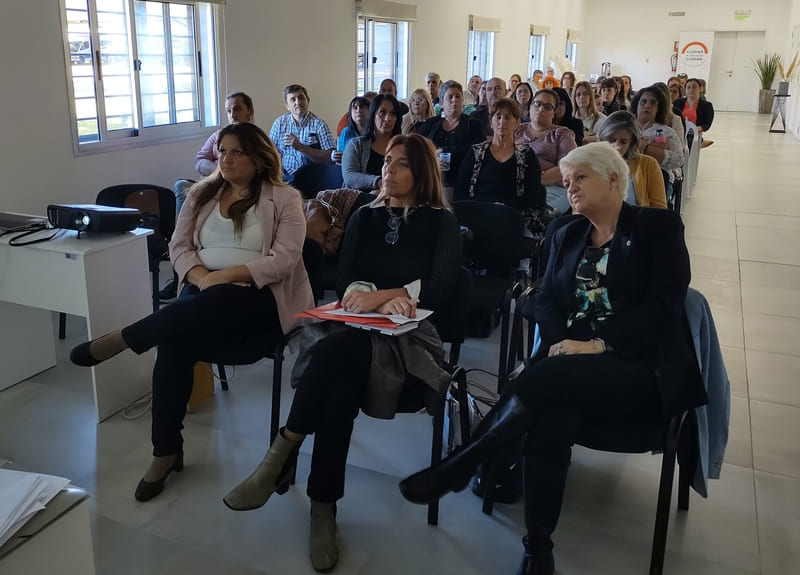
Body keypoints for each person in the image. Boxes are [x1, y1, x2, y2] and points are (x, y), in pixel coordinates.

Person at [398, 141, 707, 575]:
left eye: (580, 178)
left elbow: (664, 308)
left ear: (614, 180)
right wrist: (563, 342)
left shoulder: (658, 228)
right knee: (551, 413)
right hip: (570, 369)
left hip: (641, 370)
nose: (570, 188)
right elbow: (544, 301)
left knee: (551, 382)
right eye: (566, 181)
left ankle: (464, 462)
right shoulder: (568, 233)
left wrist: (596, 345)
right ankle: (538, 549)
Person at [223, 133, 462, 572]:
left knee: (339, 359)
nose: (388, 169)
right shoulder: (365, 216)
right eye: (386, 161)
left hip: (410, 339)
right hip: (355, 326)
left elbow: (442, 287)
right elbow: (346, 271)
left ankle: (286, 459)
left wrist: (389, 297)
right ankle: (321, 507)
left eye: (401, 164)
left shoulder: (441, 223)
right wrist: (361, 294)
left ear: (423, 172)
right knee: (342, 375)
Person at [69, 122, 314, 503]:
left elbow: (284, 261)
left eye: (237, 152)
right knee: (174, 340)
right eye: (223, 151)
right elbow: (179, 247)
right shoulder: (201, 195)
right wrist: (202, 278)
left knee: (196, 311)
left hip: (259, 302)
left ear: (259, 157)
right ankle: (164, 451)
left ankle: (124, 338)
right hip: (202, 299)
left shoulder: (284, 199)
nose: (226, 159)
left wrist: (227, 277)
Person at [162, 91, 256, 301]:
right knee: (182, 187)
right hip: (214, 187)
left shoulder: (256, 140)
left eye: (237, 109)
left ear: (250, 112)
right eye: (229, 110)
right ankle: (187, 237)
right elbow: (200, 160)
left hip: (242, 280)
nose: (233, 114)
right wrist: (220, 169)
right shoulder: (218, 135)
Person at [456, 97, 544, 212]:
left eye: (507, 117)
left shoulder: (526, 154)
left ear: (517, 123)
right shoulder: (476, 152)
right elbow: (461, 190)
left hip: (513, 214)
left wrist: (503, 209)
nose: (502, 122)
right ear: (491, 123)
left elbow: (532, 195)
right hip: (478, 213)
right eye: (498, 117)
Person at [516, 89, 577, 213]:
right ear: (530, 107)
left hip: (552, 188)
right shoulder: (517, 130)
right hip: (515, 186)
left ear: (554, 113)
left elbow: (567, 167)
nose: (541, 109)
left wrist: (532, 179)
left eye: (547, 107)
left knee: (534, 213)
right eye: (537, 104)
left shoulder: (562, 134)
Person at [417, 80, 485, 189]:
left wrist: (443, 151)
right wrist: (432, 157)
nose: (455, 100)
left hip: (462, 180)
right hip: (431, 179)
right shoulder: (430, 124)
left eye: (458, 96)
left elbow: (478, 151)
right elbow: (417, 149)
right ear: (441, 103)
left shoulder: (473, 125)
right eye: (450, 97)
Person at [598, 111, 667, 208]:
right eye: (611, 140)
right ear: (602, 138)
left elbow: (660, 209)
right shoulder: (591, 165)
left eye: (623, 142)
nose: (617, 146)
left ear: (631, 143)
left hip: (639, 221)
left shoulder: (649, 164)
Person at [269, 84, 335, 183]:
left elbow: (330, 158)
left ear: (307, 101)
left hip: (312, 178)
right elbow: (269, 152)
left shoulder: (319, 124)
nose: (298, 102)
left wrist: (300, 146)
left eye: (301, 98)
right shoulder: (279, 124)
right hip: (285, 178)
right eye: (293, 99)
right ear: (287, 106)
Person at [630, 85, 684, 200]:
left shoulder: (667, 132)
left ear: (659, 108)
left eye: (653, 103)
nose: (647, 106)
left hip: (658, 177)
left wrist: (646, 149)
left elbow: (679, 160)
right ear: (636, 104)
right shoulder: (625, 128)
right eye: (643, 102)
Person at [342, 94, 403, 190]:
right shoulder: (356, 144)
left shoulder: (402, 147)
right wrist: (378, 182)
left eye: (393, 113)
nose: (388, 118)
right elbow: (349, 177)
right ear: (373, 115)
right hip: (361, 199)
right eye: (382, 112)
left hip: (393, 200)